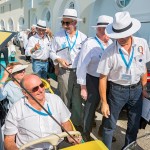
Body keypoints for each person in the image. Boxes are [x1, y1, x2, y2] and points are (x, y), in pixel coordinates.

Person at [97, 11, 150, 150]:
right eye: (117, 35)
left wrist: (144, 88)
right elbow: (103, 78)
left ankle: (128, 147)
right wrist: (104, 102)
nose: (119, 38)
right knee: (110, 125)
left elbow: (143, 67)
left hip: (137, 90)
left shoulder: (142, 44)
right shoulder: (109, 52)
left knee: (133, 124)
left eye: (123, 35)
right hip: (117, 91)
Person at [4, 74, 81, 150]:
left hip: (57, 144)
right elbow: (9, 139)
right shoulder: (16, 108)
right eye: (35, 89)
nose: (41, 90)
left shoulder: (55, 99)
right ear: (25, 93)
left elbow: (65, 122)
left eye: (42, 85)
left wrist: (71, 137)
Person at [77, 15, 113, 141]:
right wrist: (83, 87)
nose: (103, 32)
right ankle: (85, 134)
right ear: (97, 30)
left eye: (107, 29)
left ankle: (103, 130)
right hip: (92, 79)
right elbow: (81, 66)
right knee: (90, 107)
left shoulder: (111, 43)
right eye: (101, 29)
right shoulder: (89, 43)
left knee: (107, 105)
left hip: (108, 80)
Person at [50, 8, 87, 130]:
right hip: (64, 72)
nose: (64, 25)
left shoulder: (83, 37)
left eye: (67, 23)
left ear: (75, 22)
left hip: (79, 72)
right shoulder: (58, 36)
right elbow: (51, 52)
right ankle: (64, 126)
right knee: (64, 98)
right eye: (63, 23)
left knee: (77, 99)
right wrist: (59, 60)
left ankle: (76, 124)